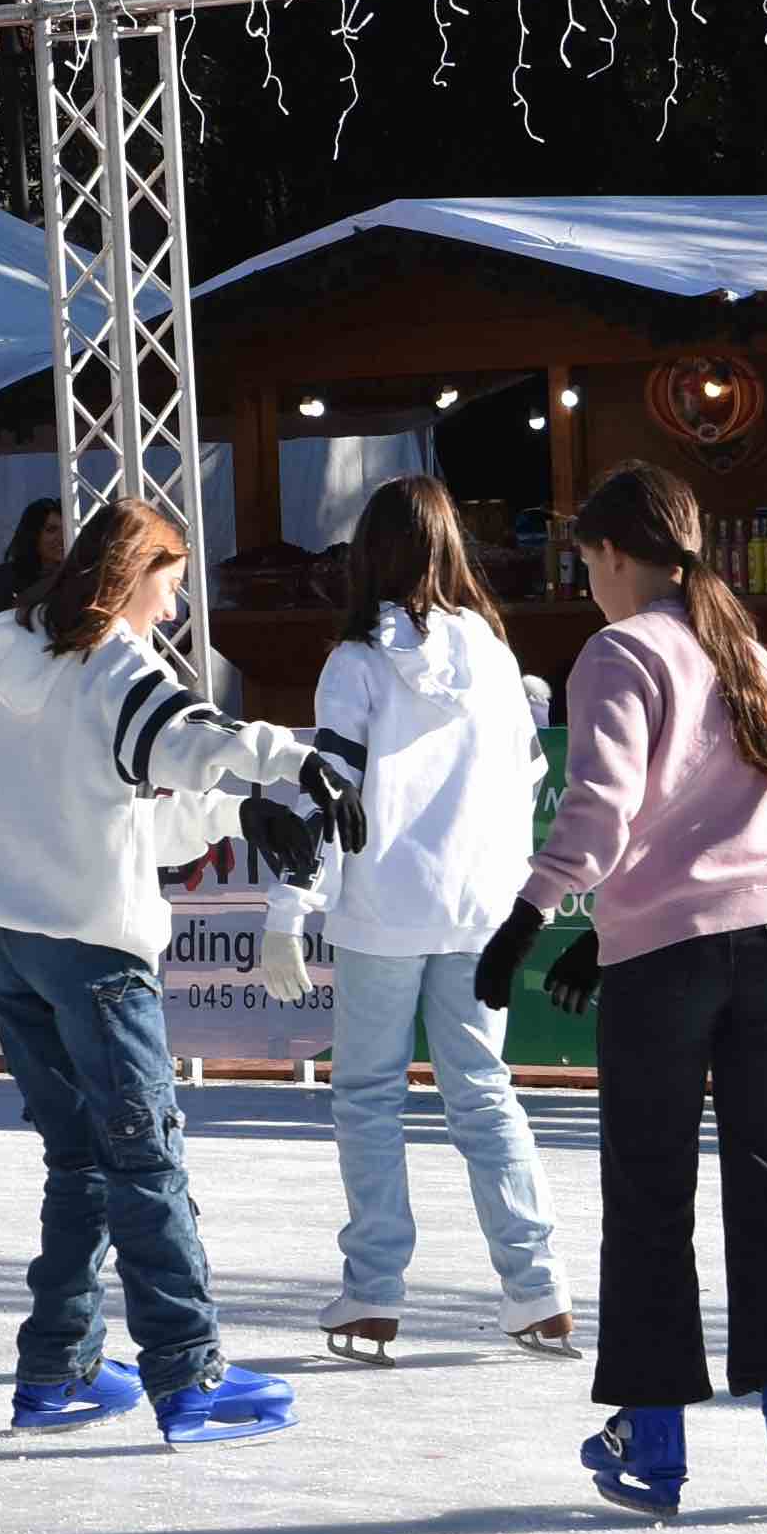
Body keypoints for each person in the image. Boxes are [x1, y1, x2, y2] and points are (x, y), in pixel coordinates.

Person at [476, 460, 767, 1519]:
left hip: (666, 956)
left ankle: (651, 1435)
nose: (587, 586)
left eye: (586, 566)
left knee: (649, 1189)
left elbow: (600, 806)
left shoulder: (617, 649)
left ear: (612, 555)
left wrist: (530, 915)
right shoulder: (745, 652)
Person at [0, 498, 323, 1451]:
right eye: (172, 579)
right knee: (145, 1163)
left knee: (81, 1162)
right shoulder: (118, 662)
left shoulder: (42, 663)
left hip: (6, 941)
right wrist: (297, 762)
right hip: (90, 953)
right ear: (132, 576)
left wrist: (237, 817)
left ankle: (58, 1367)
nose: (177, 601)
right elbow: (184, 738)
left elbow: (112, 814)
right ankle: (189, 1376)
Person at [253, 477, 571, 1362]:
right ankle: (537, 1287)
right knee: (482, 1095)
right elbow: (528, 780)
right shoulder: (498, 656)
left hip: (383, 911)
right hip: (477, 906)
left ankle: (373, 1294)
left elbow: (328, 790)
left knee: (368, 1100)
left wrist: (289, 905)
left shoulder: (355, 663)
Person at [0, 497, 65, 624]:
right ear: (32, 534)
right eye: (51, 530)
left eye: (66, 529)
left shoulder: (81, 577)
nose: (62, 537)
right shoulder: (0, 577)